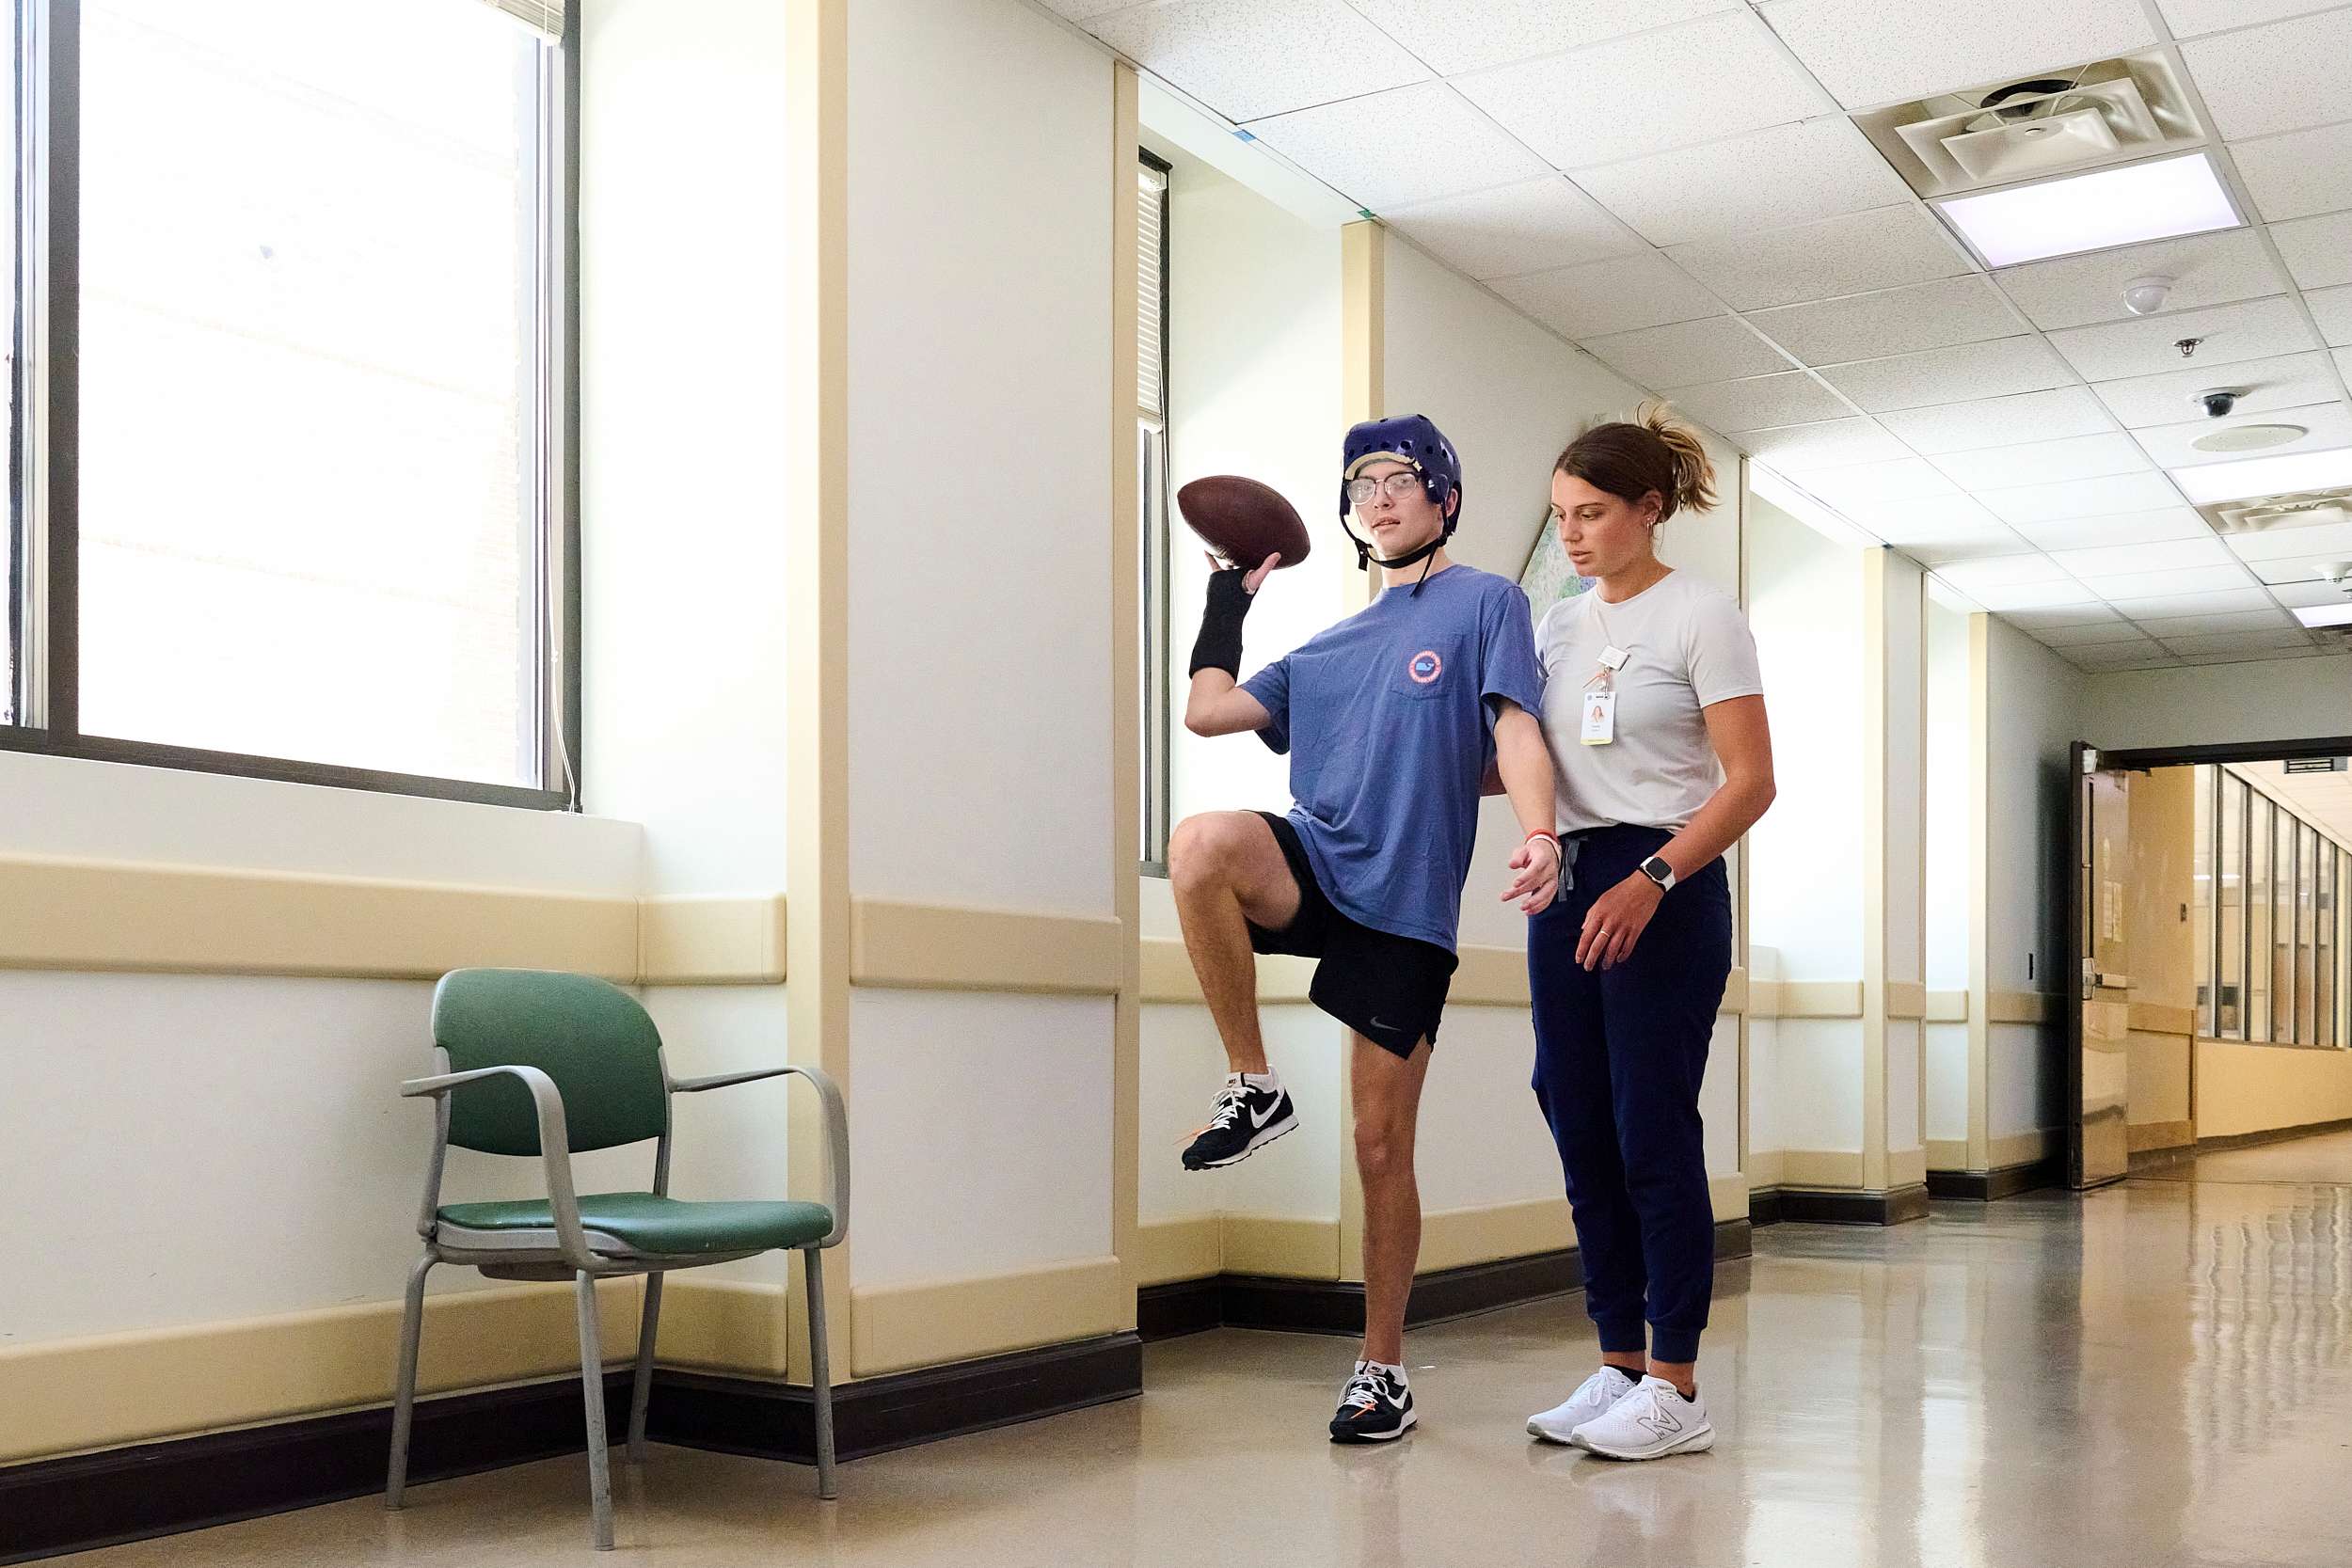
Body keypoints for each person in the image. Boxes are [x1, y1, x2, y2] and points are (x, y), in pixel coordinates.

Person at [1168, 414, 1560, 1443]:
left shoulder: (1487, 604)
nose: (1377, 497)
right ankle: (1252, 1082)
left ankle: (1382, 1367)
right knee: (1201, 840)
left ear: (1445, 496)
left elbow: (1515, 724)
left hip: (1404, 907)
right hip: (1318, 859)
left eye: (1398, 478)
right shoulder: (1331, 646)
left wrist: (1538, 832)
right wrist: (1226, 593)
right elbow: (1207, 713)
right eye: (1360, 485)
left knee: (1379, 1143)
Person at [1519, 404, 1775, 1462]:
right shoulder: (1558, 626)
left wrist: (1656, 874)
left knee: (1648, 1124)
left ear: (1649, 510)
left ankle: (1675, 1380)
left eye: (1590, 514)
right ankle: (1616, 1358)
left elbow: (1751, 781)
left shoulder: (1701, 616)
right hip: (1570, 876)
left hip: (1664, 885)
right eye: (1560, 516)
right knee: (1573, 1111)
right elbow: (1534, 759)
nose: (1571, 535)